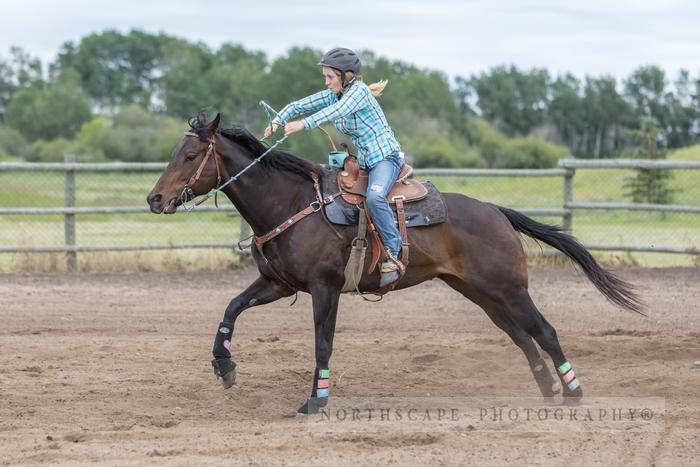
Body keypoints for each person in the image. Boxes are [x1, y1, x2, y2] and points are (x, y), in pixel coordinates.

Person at [265, 47, 405, 287]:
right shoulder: (336, 93)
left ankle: (394, 251)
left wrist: (303, 125)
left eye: (330, 77)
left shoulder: (358, 93)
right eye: (325, 77)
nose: (327, 82)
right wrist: (279, 119)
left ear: (347, 76)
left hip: (386, 158)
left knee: (374, 196)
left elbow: (336, 112)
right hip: (364, 160)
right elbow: (300, 105)